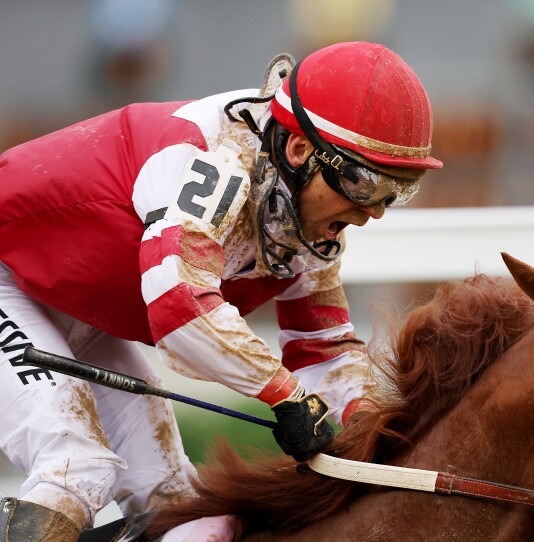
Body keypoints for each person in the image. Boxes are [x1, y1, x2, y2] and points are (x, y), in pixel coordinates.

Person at [0, 41, 441, 541]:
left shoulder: (302, 212)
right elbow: (180, 308)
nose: (373, 212)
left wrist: (370, 431)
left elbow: (323, 348)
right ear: (299, 150)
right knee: (74, 466)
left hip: (69, 303)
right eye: (363, 183)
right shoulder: (214, 159)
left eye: (395, 191)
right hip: (10, 280)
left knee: (177, 504)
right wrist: (285, 395)